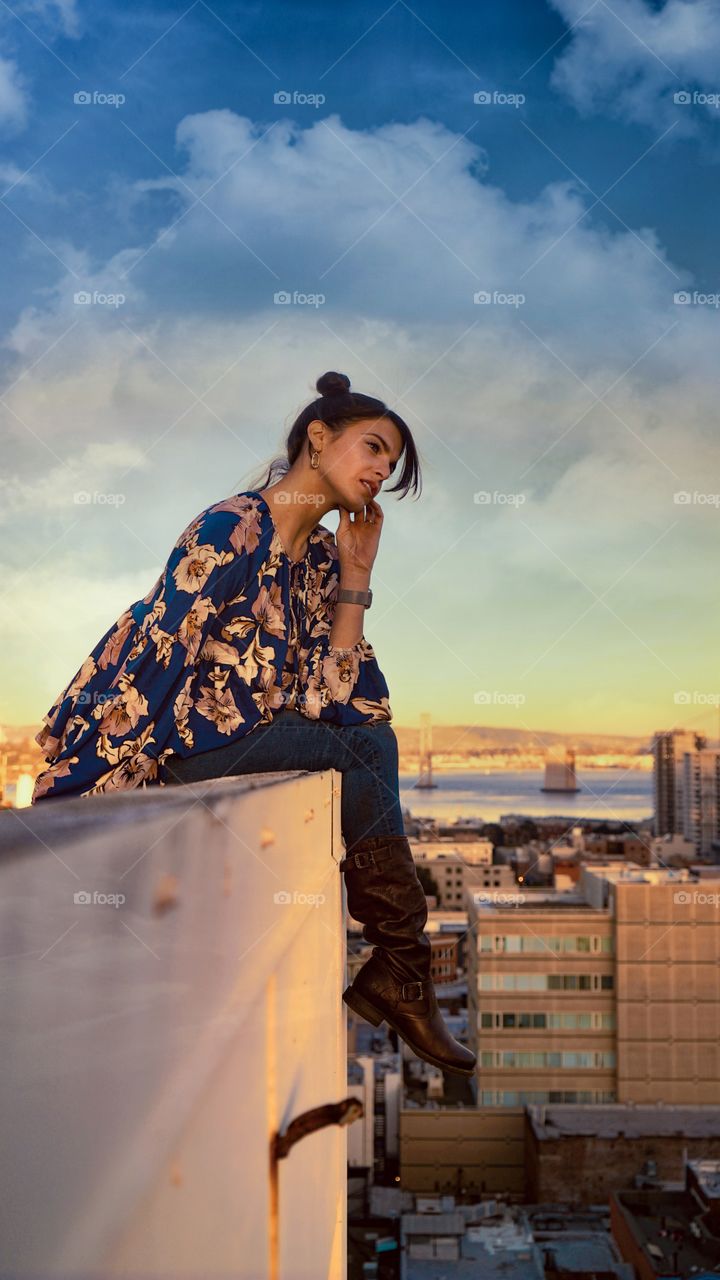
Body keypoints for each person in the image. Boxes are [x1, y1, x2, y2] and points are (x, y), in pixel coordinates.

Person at [31, 370, 476, 1078]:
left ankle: (399, 967)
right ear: (318, 438)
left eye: (391, 463)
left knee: (365, 743)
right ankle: (400, 968)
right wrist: (84, 788)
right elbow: (155, 658)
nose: (383, 470)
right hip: (180, 744)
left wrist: (356, 579)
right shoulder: (231, 527)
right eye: (373, 447)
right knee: (365, 754)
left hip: (242, 745)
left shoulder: (324, 560)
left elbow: (345, 701)